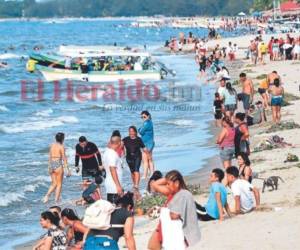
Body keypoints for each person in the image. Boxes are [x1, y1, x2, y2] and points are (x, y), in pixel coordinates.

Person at [148, 170, 201, 250]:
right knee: (152, 247)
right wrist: (169, 178)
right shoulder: (171, 192)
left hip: (174, 230)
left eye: (168, 184)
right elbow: (155, 184)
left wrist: (160, 210)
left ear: (176, 183)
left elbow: (175, 215)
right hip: (165, 226)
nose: (167, 186)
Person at [43, 133, 70, 203]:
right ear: (62, 139)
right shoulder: (61, 146)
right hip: (58, 164)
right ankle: (56, 201)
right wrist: (68, 170)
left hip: (51, 164)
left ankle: (47, 195)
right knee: (59, 184)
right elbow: (64, 158)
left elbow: (49, 156)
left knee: (54, 183)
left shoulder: (52, 145)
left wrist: (49, 166)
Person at [123, 126, 148, 192]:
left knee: (136, 170)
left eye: (132, 131)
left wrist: (148, 154)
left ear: (135, 132)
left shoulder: (139, 139)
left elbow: (144, 148)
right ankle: (134, 184)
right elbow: (120, 146)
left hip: (137, 157)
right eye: (130, 131)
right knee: (132, 172)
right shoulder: (125, 139)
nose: (131, 133)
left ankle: (136, 185)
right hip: (128, 158)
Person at [103, 136, 123, 204]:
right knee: (115, 207)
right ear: (119, 143)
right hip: (114, 186)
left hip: (110, 183)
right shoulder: (112, 154)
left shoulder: (107, 152)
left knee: (111, 206)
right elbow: (112, 169)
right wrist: (118, 186)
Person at [138, 111, 155, 179]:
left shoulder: (147, 123)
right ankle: (148, 174)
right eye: (142, 117)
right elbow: (141, 131)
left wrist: (139, 129)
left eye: (144, 117)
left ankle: (148, 174)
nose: (143, 118)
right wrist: (140, 129)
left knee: (147, 160)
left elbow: (140, 131)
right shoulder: (147, 123)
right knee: (147, 160)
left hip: (148, 144)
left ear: (148, 116)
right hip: (146, 143)